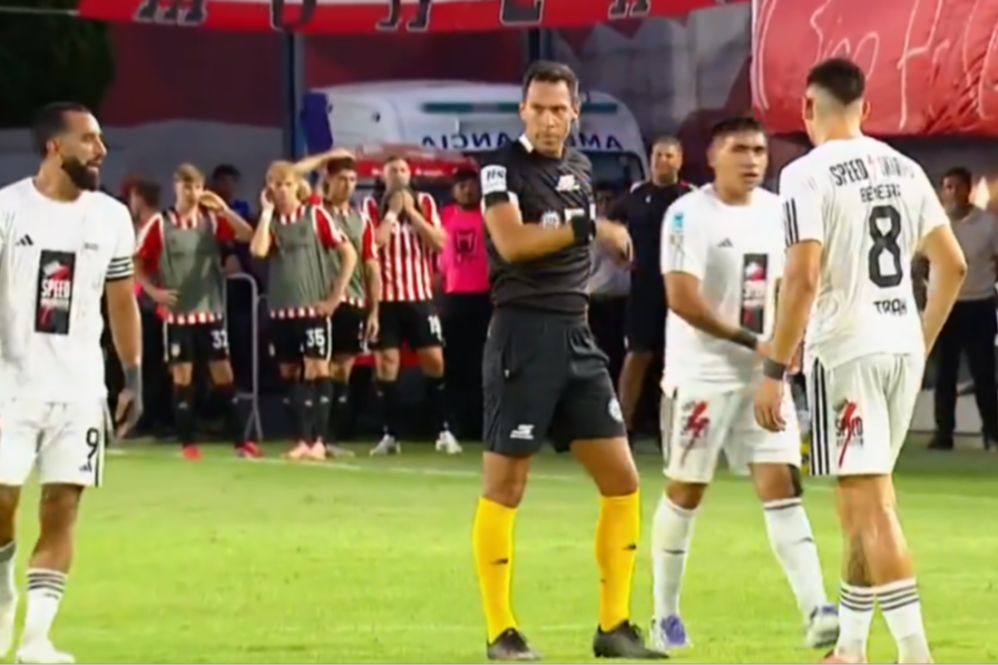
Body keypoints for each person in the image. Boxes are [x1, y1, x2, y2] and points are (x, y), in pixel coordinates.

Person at [753, 58, 967, 665]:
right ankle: (849, 649)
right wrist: (920, 341)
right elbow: (952, 266)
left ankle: (915, 654)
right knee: (860, 498)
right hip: (900, 344)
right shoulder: (905, 167)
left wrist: (774, 369)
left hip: (847, 349)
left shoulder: (805, 173)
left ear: (807, 107)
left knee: (870, 505)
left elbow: (803, 277)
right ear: (865, 109)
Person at [473, 60, 662, 661]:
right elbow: (512, 242)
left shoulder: (579, 167)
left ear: (575, 112)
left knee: (623, 479)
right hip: (522, 336)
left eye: (560, 109)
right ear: (522, 110)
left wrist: (596, 234)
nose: (549, 119)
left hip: (577, 338)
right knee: (507, 484)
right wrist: (590, 228)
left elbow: (571, 234)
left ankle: (614, 626)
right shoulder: (501, 167)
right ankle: (501, 631)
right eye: (539, 108)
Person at [653, 117, 838, 653]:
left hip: (762, 374)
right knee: (688, 488)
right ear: (713, 155)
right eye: (740, 149)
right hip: (701, 374)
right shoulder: (687, 214)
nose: (753, 160)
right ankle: (665, 614)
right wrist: (752, 340)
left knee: (780, 482)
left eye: (759, 150)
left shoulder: (780, 212)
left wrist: (786, 345)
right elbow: (682, 298)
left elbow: (794, 285)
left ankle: (816, 609)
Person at [0, 102, 143, 664]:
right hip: (10, 385)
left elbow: (122, 301)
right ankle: (4, 582)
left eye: (101, 139)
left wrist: (132, 375)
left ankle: (36, 640)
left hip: (81, 388)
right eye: (89, 139)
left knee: (62, 504)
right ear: (54, 147)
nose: (101, 150)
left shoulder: (111, 218)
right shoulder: (8, 209)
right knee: (2, 499)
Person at [134, 164, 259, 460]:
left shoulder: (212, 221)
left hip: (211, 311)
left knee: (223, 373)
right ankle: (187, 444)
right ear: (176, 187)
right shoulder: (161, 223)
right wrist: (154, 292)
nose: (192, 193)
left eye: (197, 187)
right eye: (186, 186)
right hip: (178, 315)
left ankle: (241, 442)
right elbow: (136, 261)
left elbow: (247, 235)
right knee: (182, 376)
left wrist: (224, 209)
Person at [249, 161, 357, 460]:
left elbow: (348, 253)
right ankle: (302, 439)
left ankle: (320, 440)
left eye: (287, 184)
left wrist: (335, 296)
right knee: (289, 374)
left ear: (297, 186)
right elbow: (258, 250)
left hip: (312, 308)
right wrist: (266, 213)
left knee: (317, 368)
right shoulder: (271, 221)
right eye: (276, 185)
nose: (282, 190)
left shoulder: (314, 215)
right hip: (281, 310)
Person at [363, 156, 460, 456]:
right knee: (387, 366)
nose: (399, 174)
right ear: (383, 176)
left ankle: (443, 430)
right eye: (393, 170)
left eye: (404, 170)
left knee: (434, 361)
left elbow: (440, 243)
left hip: (419, 296)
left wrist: (413, 214)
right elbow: (373, 244)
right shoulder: (370, 206)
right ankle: (390, 434)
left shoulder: (426, 203)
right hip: (385, 299)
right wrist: (393, 213)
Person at [609, 138, 695, 441]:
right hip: (643, 291)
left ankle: (674, 429)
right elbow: (608, 226)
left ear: (680, 160)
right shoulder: (635, 196)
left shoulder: (692, 198)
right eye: (658, 155)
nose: (663, 160)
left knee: (678, 362)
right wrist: (617, 249)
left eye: (669, 155)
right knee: (636, 357)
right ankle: (622, 428)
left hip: (681, 291)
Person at [928, 167, 998, 450]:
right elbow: (921, 262)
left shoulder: (989, 224)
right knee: (944, 373)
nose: (953, 192)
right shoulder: (934, 225)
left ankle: (992, 431)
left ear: (969, 190)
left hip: (979, 305)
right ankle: (943, 433)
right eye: (948, 187)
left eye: (958, 187)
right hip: (944, 307)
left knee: (984, 373)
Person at [320, 156, 381, 455]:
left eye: (352, 180)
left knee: (342, 369)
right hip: (319, 301)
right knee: (315, 367)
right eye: (342, 179)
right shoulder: (315, 213)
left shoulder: (362, 221)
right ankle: (312, 436)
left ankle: (329, 437)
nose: (348, 185)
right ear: (328, 180)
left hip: (353, 301)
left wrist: (374, 310)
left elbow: (371, 265)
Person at [438, 168, 491, 440]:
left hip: (487, 297)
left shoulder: (491, 216)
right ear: (453, 190)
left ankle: (484, 423)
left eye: (470, 185)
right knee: (454, 363)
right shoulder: (443, 217)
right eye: (460, 186)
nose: (466, 190)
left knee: (485, 363)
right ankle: (454, 423)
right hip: (453, 298)